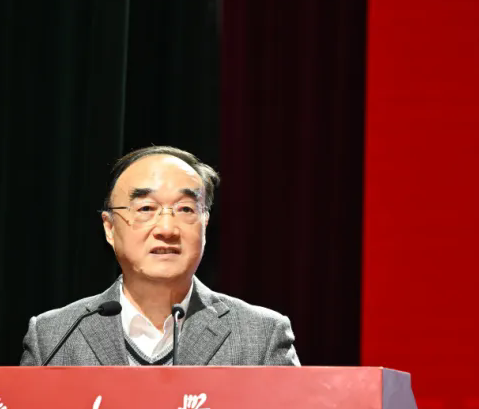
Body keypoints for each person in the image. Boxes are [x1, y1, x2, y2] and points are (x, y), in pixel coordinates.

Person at [20, 145, 300, 366]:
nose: (167, 229)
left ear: (205, 223)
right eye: (146, 209)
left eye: (185, 209)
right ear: (109, 228)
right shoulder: (53, 336)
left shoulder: (262, 335)